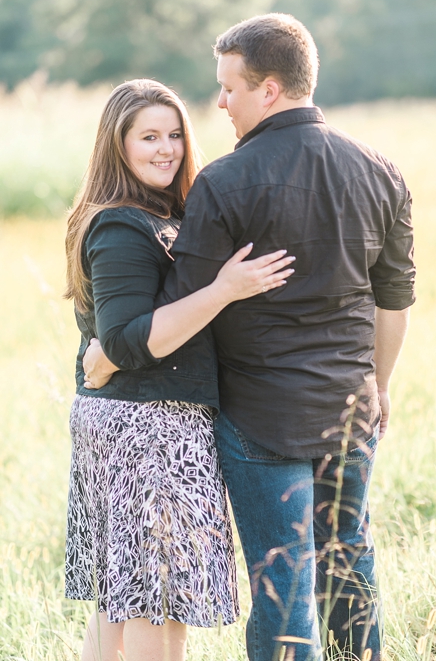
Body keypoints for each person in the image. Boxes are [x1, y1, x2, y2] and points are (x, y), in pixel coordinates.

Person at [87, 14, 415, 661]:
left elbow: (184, 308)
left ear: (268, 89)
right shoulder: (382, 173)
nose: (220, 103)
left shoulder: (224, 181)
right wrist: (378, 388)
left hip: (260, 416)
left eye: (229, 88)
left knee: (281, 579)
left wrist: (107, 351)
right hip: (350, 409)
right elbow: (394, 303)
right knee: (349, 561)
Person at [65, 80, 295, 661]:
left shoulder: (161, 214)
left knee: (127, 599)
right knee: (155, 598)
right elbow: (125, 337)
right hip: (148, 427)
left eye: (174, 135)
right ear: (116, 145)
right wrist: (226, 289)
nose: (165, 148)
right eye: (148, 136)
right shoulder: (121, 225)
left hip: (146, 418)